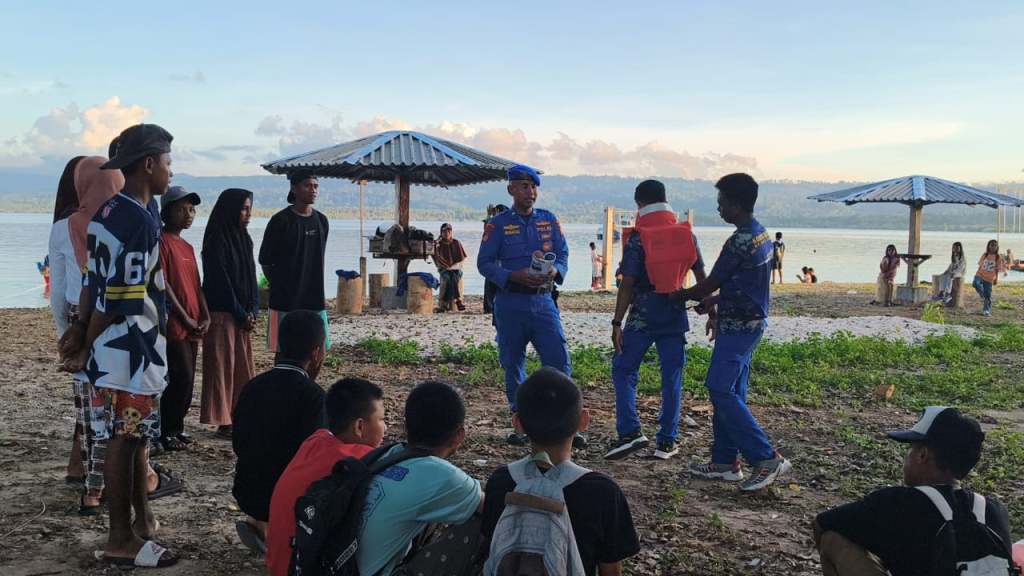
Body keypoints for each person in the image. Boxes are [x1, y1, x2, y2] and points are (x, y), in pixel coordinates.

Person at [65, 123, 178, 567]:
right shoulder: (140, 222)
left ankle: (141, 521)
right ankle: (119, 538)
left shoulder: (108, 213)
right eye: (167, 163)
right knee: (126, 439)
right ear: (148, 164)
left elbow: (91, 281)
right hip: (131, 348)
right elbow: (119, 297)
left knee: (134, 437)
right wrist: (86, 341)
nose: (171, 172)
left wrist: (80, 330)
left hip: (114, 349)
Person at [673, 173, 791, 491]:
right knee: (732, 392)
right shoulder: (761, 234)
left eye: (722, 202)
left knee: (720, 388)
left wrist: (678, 296)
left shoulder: (739, 241)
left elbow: (711, 282)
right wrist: (714, 302)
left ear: (737, 204)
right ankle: (725, 461)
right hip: (748, 322)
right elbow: (743, 284)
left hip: (740, 327)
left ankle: (766, 457)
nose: (719, 208)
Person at [813, 407, 1013, 576]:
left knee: (832, 538)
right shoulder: (994, 510)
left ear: (922, 455)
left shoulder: (898, 502)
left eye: (910, 449)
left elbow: (822, 523)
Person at [482, 368, 640, 576]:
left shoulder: (500, 481)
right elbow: (610, 570)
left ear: (517, 424)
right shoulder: (603, 492)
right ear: (584, 420)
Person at [477, 164, 578, 447]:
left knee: (558, 361)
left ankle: (566, 425)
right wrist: (511, 276)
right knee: (512, 364)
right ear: (511, 189)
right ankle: (520, 423)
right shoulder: (497, 225)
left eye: (533, 187)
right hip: (510, 302)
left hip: (543, 302)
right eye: (523, 186)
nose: (530, 192)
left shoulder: (549, 220)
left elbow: (563, 254)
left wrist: (556, 270)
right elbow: (484, 263)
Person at [606, 180, 706, 461]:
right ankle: (667, 441)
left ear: (639, 203)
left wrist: (617, 323)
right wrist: (711, 310)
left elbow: (627, 283)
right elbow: (702, 277)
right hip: (674, 312)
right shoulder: (687, 235)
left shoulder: (640, 237)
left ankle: (630, 431)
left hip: (643, 314)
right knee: (671, 376)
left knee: (624, 369)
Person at [52, 155, 123, 510]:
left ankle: (93, 490)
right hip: (119, 322)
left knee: (90, 411)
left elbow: (58, 292)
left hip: (79, 319)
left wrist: (68, 335)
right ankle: (122, 481)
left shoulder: (63, 227)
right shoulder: (124, 221)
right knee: (120, 408)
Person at [356, 381, 484, 576]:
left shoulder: (387, 454)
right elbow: (490, 506)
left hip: (334, 567)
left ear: (405, 425)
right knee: (479, 522)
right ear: (459, 436)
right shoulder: (440, 475)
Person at [264, 377, 387, 576]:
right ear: (359, 426)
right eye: (381, 419)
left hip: (278, 563)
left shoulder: (315, 441)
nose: (385, 427)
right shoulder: (360, 460)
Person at [231, 309, 328, 551]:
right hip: (287, 497)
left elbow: (239, 442)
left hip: (247, 490)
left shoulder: (253, 386)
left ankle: (259, 521)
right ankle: (281, 529)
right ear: (317, 353)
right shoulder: (313, 396)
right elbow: (315, 457)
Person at [201, 188, 259, 438]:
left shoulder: (244, 239)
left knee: (242, 369)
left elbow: (252, 277)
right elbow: (220, 281)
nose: (248, 214)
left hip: (243, 315)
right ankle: (224, 421)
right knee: (222, 369)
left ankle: (240, 416)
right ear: (231, 209)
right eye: (244, 209)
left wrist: (253, 309)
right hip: (222, 314)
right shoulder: (216, 240)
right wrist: (239, 312)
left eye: (249, 209)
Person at [158, 186, 209, 451]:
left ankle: (177, 428)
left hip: (193, 322)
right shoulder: (162, 242)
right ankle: (165, 430)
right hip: (175, 323)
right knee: (181, 376)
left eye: (191, 210)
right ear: (167, 212)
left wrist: (205, 315)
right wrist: (185, 317)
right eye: (182, 209)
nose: (188, 214)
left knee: (189, 380)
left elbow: (196, 285)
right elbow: (164, 284)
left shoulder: (187, 246)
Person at [259, 171, 330, 352]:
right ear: (294, 188)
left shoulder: (322, 221)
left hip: (314, 298)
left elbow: (319, 257)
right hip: (285, 300)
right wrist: (281, 284)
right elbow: (265, 261)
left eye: (316, 186)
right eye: (307, 185)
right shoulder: (280, 221)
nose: (313, 190)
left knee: (317, 350)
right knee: (283, 350)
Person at [434, 222, 467, 312]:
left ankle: (444, 305)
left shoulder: (456, 242)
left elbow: (461, 259)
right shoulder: (438, 244)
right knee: (449, 279)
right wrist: (446, 266)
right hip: (443, 269)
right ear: (441, 233)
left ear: (451, 232)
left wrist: (454, 266)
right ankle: (458, 301)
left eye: (449, 231)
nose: (447, 233)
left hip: (456, 268)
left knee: (453, 278)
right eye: (444, 231)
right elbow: (437, 259)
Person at [972, 239, 1007, 316]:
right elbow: (980, 265)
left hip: (989, 278)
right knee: (975, 283)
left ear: (997, 247)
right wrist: (976, 274)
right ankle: (983, 296)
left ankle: (986, 310)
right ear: (988, 246)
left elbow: (998, 269)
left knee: (988, 295)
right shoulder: (985, 255)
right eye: (991, 245)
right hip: (980, 274)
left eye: (995, 245)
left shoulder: (998, 257)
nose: (993, 247)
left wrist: (996, 279)